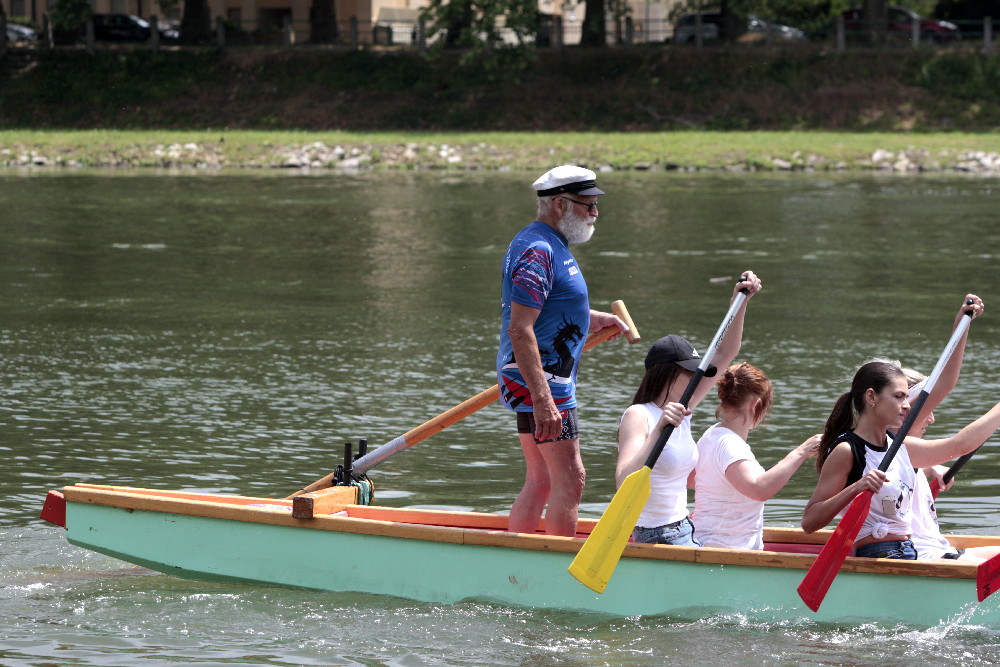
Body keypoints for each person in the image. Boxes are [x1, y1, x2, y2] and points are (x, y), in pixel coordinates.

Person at [497, 165, 627, 537]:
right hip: (544, 383)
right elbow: (519, 328)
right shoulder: (538, 251)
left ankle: (517, 556)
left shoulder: (546, 242)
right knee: (571, 479)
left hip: (538, 379)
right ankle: (557, 568)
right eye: (588, 205)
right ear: (559, 204)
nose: (595, 213)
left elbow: (549, 305)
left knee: (541, 479)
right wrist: (543, 400)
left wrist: (592, 318)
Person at [801, 346, 1000, 560]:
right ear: (871, 397)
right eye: (898, 397)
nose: (906, 406)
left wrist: (962, 328)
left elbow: (958, 446)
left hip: (908, 550)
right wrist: (856, 487)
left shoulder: (898, 445)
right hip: (880, 554)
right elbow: (809, 522)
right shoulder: (848, 450)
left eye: (906, 397)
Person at [615, 272, 762, 546]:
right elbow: (624, 482)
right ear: (668, 374)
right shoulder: (639, 415)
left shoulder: (684, 408)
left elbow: (725, 353)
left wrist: (740, 301)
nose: (697, 378)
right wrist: (659, 430)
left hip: (685, 527)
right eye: (690, 372)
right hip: (654, 534)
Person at [691, 362, 820, 550]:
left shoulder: (711, 434)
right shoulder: (731, 445)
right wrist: (800, 452)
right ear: (756, 405)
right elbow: (758, 490)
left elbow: (695, 480)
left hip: (707, 542)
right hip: (726, 550)